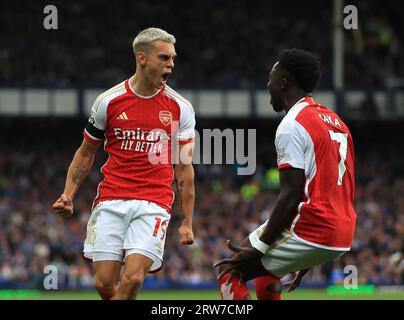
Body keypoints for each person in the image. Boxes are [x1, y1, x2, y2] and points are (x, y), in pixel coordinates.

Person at [52, 27, 196, 300]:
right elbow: (85, 153)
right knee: (105, 285)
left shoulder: (181, 108)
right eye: (164, 58)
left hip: (154, 202)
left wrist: (187, 221)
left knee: (132, 278)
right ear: (142, 58)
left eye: (173, 59)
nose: (172, 65)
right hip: (111, 199)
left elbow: (184, 167)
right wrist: (68, 195)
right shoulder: (108, 102)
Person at [214, 49, 356, 300]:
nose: (267, 85)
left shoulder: (292, 125)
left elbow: (290, 196)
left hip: (314, 226)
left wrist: (260, 248)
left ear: (283, 82)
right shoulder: (336, 121)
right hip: (342, 230)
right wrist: (307, 255)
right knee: (266, 275)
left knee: (230, 270)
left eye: (270, 78)